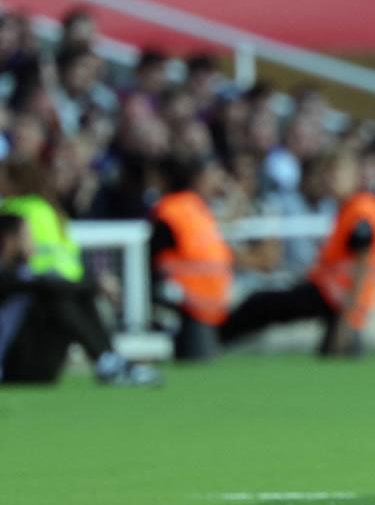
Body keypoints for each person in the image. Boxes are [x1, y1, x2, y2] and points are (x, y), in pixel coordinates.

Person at [218, 151, 375, 356]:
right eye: (327, 174)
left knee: (260, 303)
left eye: (336, 173)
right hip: (335, 295)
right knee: (331, 353)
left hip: (336, 296)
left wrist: (347, 319)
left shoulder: (361, 211)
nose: (330, 180)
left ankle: (216, 338)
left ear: (355, 176)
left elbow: (362, 265)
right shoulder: (351, 208)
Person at [0, 211, 158, 386]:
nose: (34, 242)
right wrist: (96, 284)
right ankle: (107, 361)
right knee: (57, 298)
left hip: (31, 367)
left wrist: (91, 286)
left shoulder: (24, 273)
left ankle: (109, 359)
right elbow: (43, 284)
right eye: (27, 236)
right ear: (9, 240)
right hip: (11, 367)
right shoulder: (7, 277)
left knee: (73, 295)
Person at [148, 156, 235, 362]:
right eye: (214, 175)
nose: (220, 182)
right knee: (196, 361)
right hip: (186, 301)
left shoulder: (199, 210)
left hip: (206, 301)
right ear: (198, 178)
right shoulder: (173, 210)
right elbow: (154, 257)